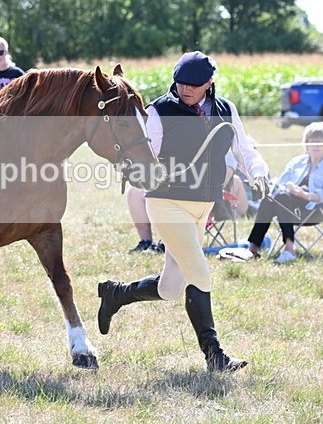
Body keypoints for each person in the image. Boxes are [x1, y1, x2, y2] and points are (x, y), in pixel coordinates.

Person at [97, 51, 270, 372]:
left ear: (209, 83)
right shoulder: (159, 111)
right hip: (167, 202)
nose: (184, 89)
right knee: (199, 273)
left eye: (193, 84)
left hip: (202, 205)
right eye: (180, 83)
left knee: (171, 287)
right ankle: (214, 355)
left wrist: (258, 172)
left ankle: (116, 294)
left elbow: (244, 150)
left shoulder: (225, 110)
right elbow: (147, 154)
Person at [243, 122, 323, 264]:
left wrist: (305, 195)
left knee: (280, 198)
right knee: (272, 198)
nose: (315, 146)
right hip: (289, 206)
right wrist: (290, 189)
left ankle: (288, 249)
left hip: (317, 210)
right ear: (306, 144)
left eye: (320, 142)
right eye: (312, 142)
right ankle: (252, 248)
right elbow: (280, 184)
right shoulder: (296, 162)